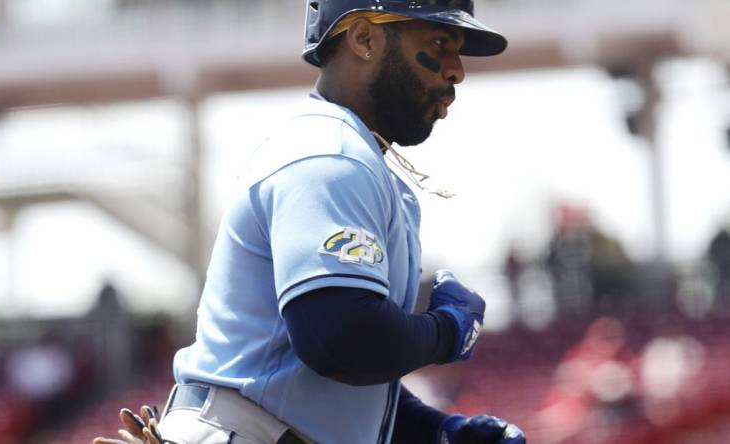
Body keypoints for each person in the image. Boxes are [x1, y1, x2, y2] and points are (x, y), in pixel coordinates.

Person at [95, 1, 525, 443]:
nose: (456, 70)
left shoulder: (348, 153)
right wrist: (447, 329)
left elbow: (314, 377)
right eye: (439, 42)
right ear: (363, 39)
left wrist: (434, 430)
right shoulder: (329, 154)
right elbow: (342, 340)